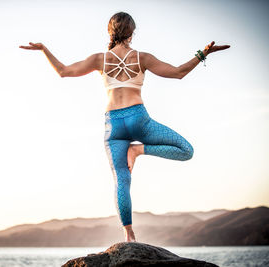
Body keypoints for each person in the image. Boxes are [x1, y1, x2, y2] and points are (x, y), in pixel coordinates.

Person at [19, 11, 230, 242]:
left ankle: (128, 234)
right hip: (139, 120)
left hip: (113, 126)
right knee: (186, 150)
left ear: (110, 32)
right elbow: (179, 73)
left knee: (121, 180)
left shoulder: (100, 59)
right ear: (132, 32)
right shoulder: (143, 58)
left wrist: (44, 49)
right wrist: (203, 53)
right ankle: (139, 150)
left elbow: (63, 71)